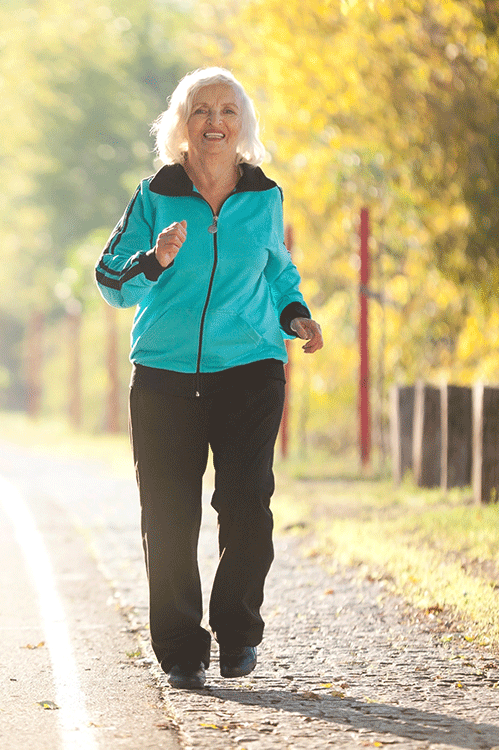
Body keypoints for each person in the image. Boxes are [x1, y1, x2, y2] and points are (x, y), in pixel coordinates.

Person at [95, 67, 324, 689]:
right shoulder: (153, 196)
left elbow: (278, 270)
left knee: (247, 503)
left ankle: (237, 629)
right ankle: (179, 649)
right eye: (200, 110)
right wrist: (156, 259)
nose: (214, 121)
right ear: (181, 125)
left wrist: (295, 312)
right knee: (168, 515)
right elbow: (109, 280)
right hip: (166, 376)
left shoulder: (264, 196)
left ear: (241, 124)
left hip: (250, 368)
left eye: (227, 110)